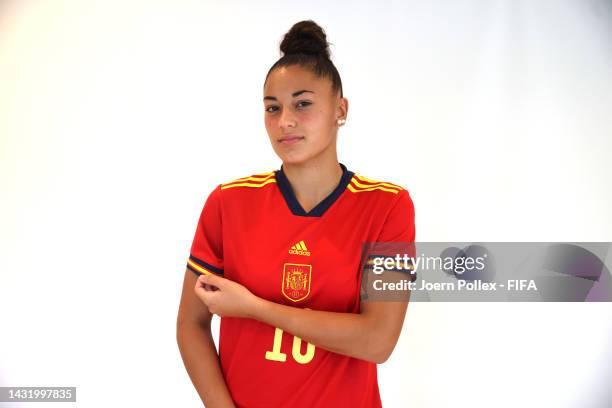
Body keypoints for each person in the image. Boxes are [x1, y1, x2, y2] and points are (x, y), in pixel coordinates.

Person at [176, 20, 415, 408]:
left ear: (341, 109)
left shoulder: (387, 206)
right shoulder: (228, 202)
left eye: (302, 104)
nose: (285, 120)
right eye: (273, 108)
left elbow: (377, 340)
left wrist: (254, 308)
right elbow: (191, 324)